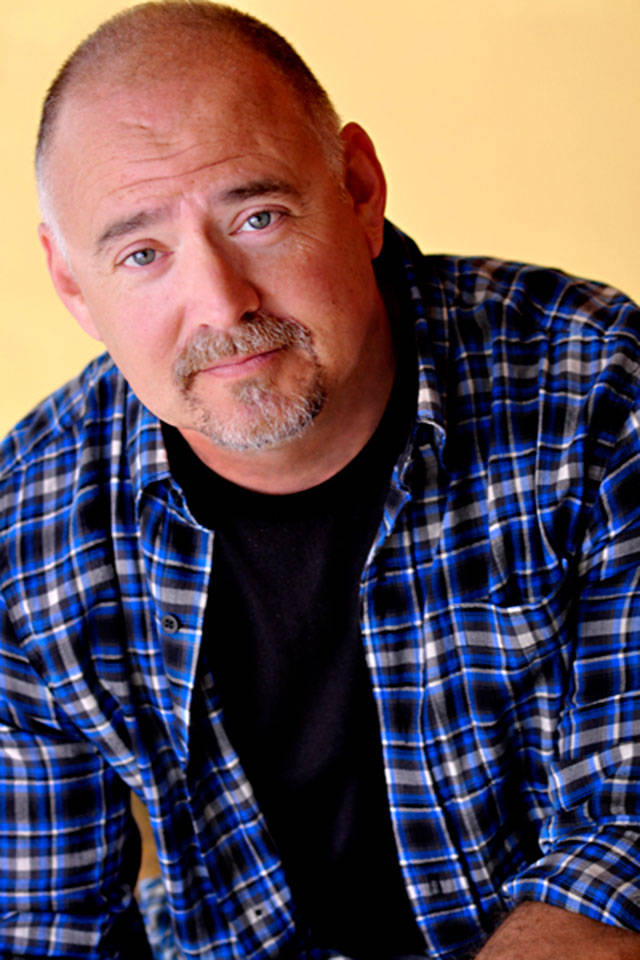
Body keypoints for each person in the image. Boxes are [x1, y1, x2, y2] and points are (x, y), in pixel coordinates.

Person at [1, 1, 640, 958]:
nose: (221, 303)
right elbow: (45, 929)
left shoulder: (597, 392)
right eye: (142, 253)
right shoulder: (30, 524)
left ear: (359, 191)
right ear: (72, 285)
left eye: (257, 216)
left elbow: (621, 854)